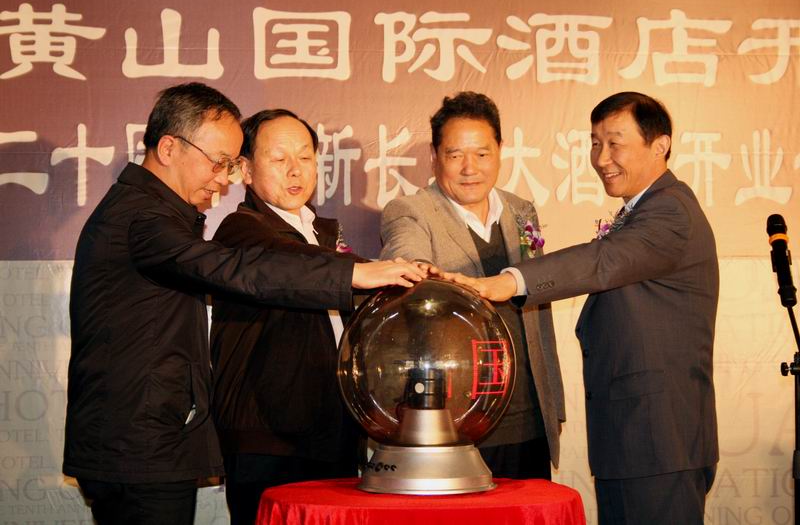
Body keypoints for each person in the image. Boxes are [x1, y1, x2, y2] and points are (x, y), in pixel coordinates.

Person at [63, 83, 427, 525]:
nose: (222, 179)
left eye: (228, 165)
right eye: (219, 162)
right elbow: (234, 267)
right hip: (138, 445)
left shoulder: (154, 213)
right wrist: (353, 273)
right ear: (169, 148)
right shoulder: (142, 217)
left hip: (149, 440)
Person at [449, 92, 719, 524]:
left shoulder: (670, 210)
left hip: (659, 440)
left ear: (660, 145)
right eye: (595, 143)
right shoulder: (642, 210)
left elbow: (602, 261)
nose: (601, 158)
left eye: (615, 143)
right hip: (634, 441)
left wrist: (508, 281)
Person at [380, 91, 566, 479]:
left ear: (500, 150)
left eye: (482, 154)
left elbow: (539, 310)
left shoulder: (521, 210)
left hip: (530, 414)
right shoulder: (411, 211)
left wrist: (554, 403)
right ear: (434, 157)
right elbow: (406, 255)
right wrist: (420, 271)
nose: (470, 168)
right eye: (455, 155)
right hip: (457, 421)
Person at [210, 109, 363, 524]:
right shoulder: (240, 231)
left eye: (305, 157)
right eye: (279, 159)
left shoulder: (323, 234)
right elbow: (290, 263)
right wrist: (368, 271)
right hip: (269, 441)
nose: (295, 170)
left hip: (334, 433)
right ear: (245, 170)